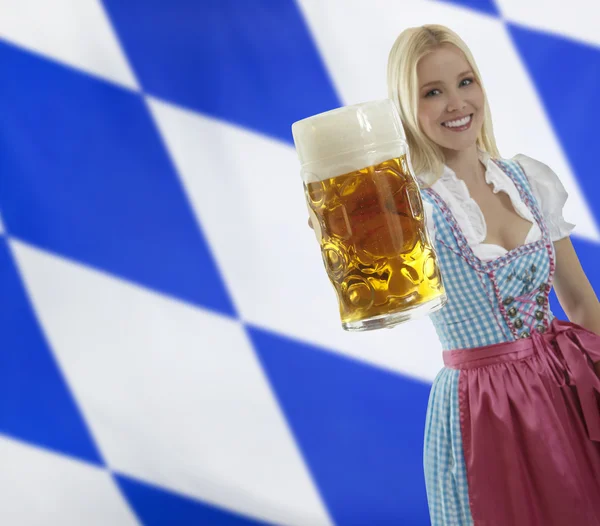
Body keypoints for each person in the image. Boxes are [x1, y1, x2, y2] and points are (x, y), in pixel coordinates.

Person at [383, 24, 600, 525]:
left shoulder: (527, 179)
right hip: (483, 409)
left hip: (565, 384)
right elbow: (387, 309)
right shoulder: (411, 207)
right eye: (432, 92)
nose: (457, 103)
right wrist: (350, 235)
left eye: (465, 82)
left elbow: (582, 303)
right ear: (405, 108)